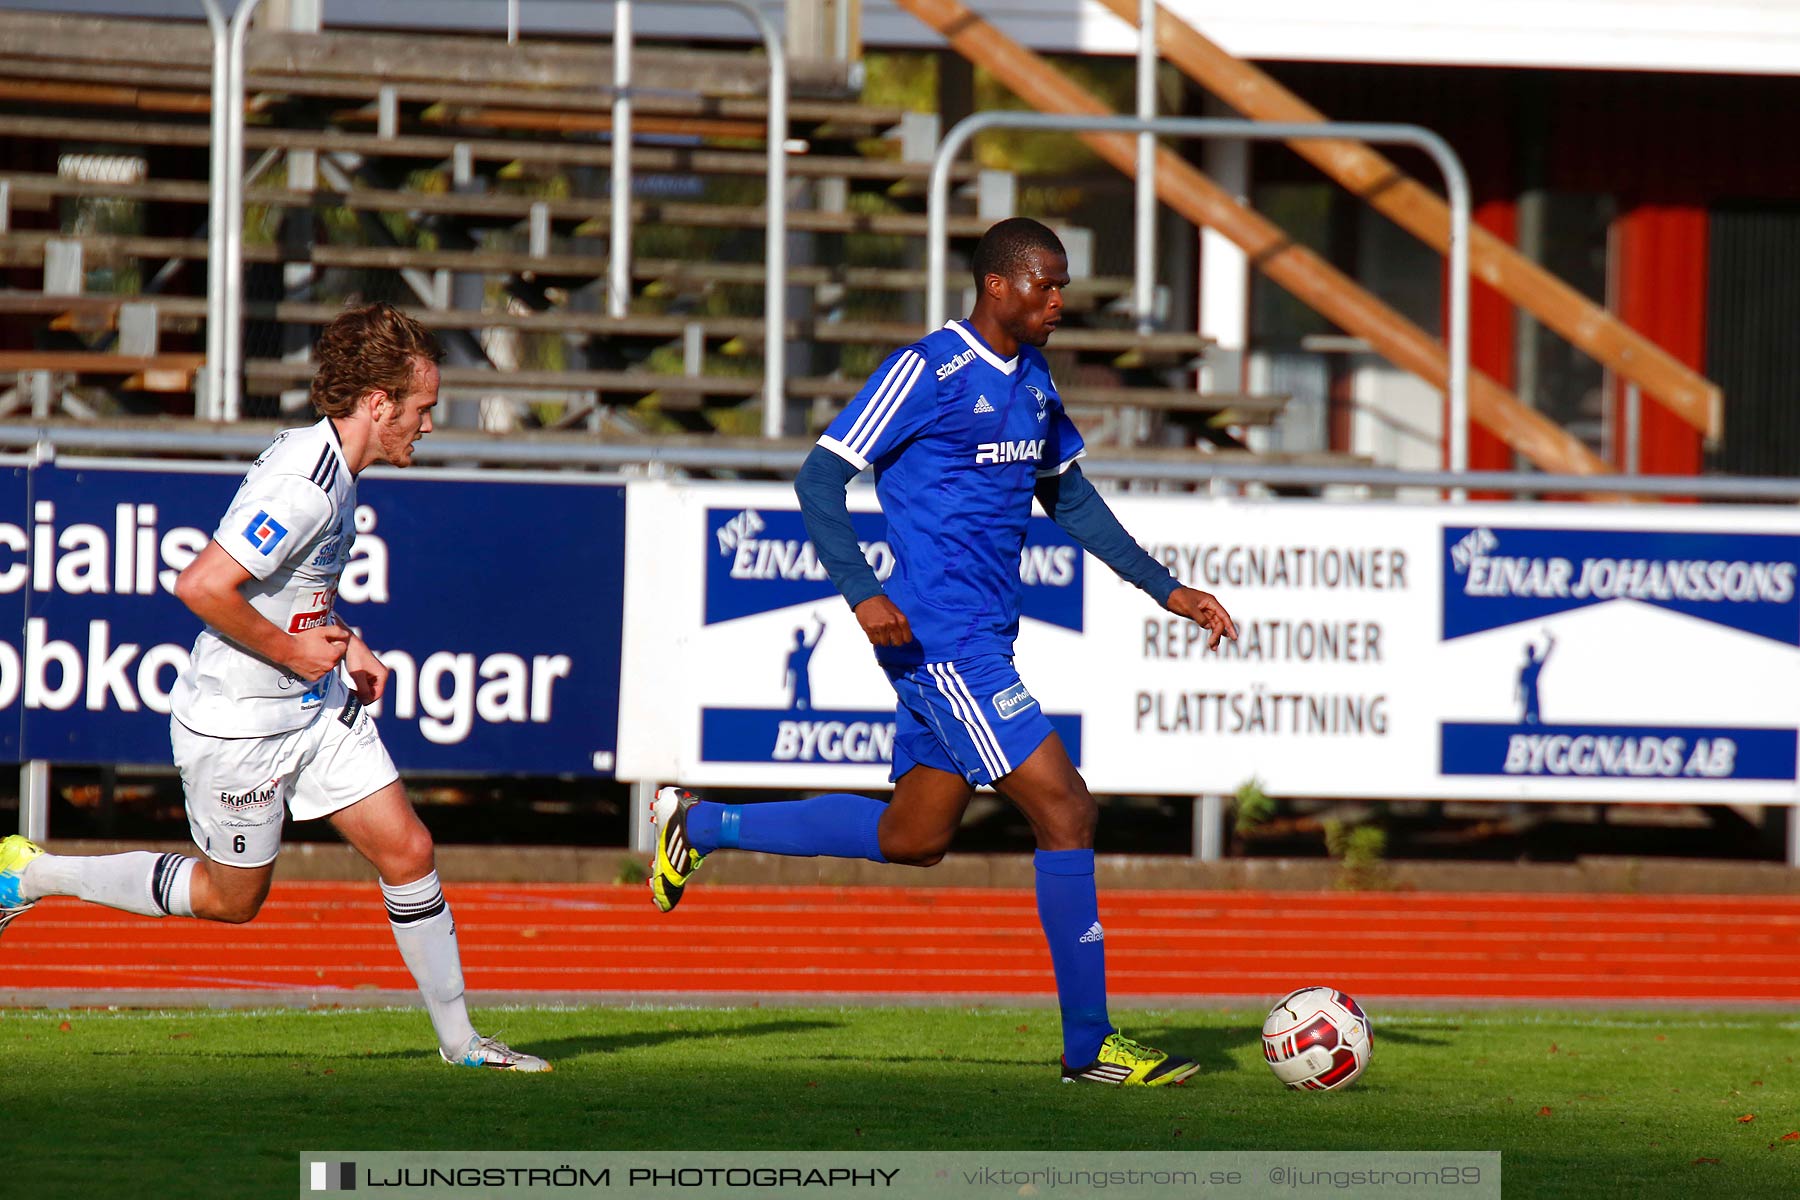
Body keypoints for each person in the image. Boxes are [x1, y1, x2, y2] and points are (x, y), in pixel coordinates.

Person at [648, 218, 1238, 1087]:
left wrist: (1165, 588)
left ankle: (697, 824)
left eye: (1063, 287)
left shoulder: (1034, 381)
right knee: (1067, 811)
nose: (1059, 303)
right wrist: (862, 591)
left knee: (914, 836)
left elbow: (1069, 498)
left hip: (981, 635)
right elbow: (819, 478)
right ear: (998, 284)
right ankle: (1091, 1047)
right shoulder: (927, 370)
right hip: (940, 639)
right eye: (1047, 286)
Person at [0, 303, 548, 1072]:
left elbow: (290, 590)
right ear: (378, 403)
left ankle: (463, 1045)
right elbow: (202, 585)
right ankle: (33, 875)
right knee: (233, 900)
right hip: (240, 725)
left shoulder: (333, 466)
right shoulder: (306, 486)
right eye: (423, 409)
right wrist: (295, 656)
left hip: (313, 713)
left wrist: (348, 641)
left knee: (409, 849)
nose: (429, 425)